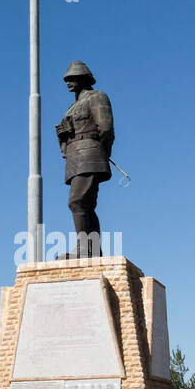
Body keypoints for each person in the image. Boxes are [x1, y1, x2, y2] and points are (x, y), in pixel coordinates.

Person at [55, 60, 114, 259]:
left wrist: (101, 152)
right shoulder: (72, 107)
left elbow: (106, 128)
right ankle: (91, 249)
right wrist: (64, 135)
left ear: (84, 78)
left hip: (89, 154)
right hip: (74, 158)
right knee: (84, 204)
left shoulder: (97, 97)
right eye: (67, 79)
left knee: (78, 201)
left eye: (72, 78)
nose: (68, 82)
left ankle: (86, 248)